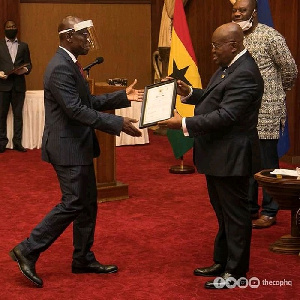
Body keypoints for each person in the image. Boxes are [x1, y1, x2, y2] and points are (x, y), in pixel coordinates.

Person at [9, 16, 142, 288]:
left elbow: (88, 101)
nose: (88, 40)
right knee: (73, 202)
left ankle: (82, 258)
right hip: (66, 146)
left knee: (87, 202)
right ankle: (28, 249)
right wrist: (117, 123)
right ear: (68, 37)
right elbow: (76, 110)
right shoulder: (60, 67)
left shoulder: (70, 63)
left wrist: (121, 96)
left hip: (76, 145)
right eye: (83, 35)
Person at [159, 22, 264, 289]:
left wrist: (183, 124)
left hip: (232, 156)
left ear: (234, 45)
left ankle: (236, 272)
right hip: (218, 154)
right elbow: (214, 98)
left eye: (216, 45)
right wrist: (190, 93)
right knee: (223, 213)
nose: (212, 50)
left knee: (236, 216)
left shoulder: (246, 73)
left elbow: (227, 115)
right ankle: (222, 261)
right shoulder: (229, 67)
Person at [232, 0, 298, 229]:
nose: (238, 14)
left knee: (267, 162)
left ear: (255, 12)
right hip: (241, 111)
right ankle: (249, 208)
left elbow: (290, 70)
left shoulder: (271, 36)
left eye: (243, 10)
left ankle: (270, 210)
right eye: (235, 10)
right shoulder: (233, 37)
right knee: (246, 161)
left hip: (267, 109)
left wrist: (276, 92)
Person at [0, 20, 32, 153]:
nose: (11, 28)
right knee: (1, 115)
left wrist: (24, 70)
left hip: (19, 85)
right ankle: (2, 142)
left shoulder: (24, 46)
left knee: (18, 115)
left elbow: (29, 65)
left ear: (17, 28)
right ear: (4, 29)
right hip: (3, 85)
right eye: (8, 27)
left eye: (13, 26)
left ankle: (17, 142)